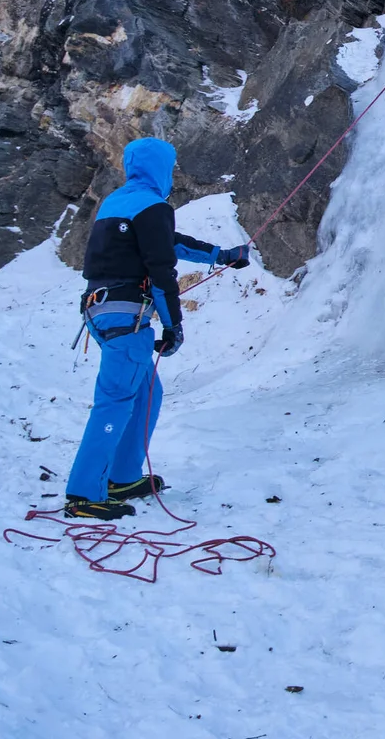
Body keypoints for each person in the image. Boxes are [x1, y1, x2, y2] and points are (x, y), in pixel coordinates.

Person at [62, 137, 250, 520]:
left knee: (148, 393)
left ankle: (122, 477)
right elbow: (161, 271)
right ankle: (84, 494)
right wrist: (173, 325)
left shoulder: (117, 202)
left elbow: (167, 244)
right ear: (161, 167)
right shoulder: (154, 206)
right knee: (115, 400)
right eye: (171, 165)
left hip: (102, 313)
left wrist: (222, 256)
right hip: (126, 318)